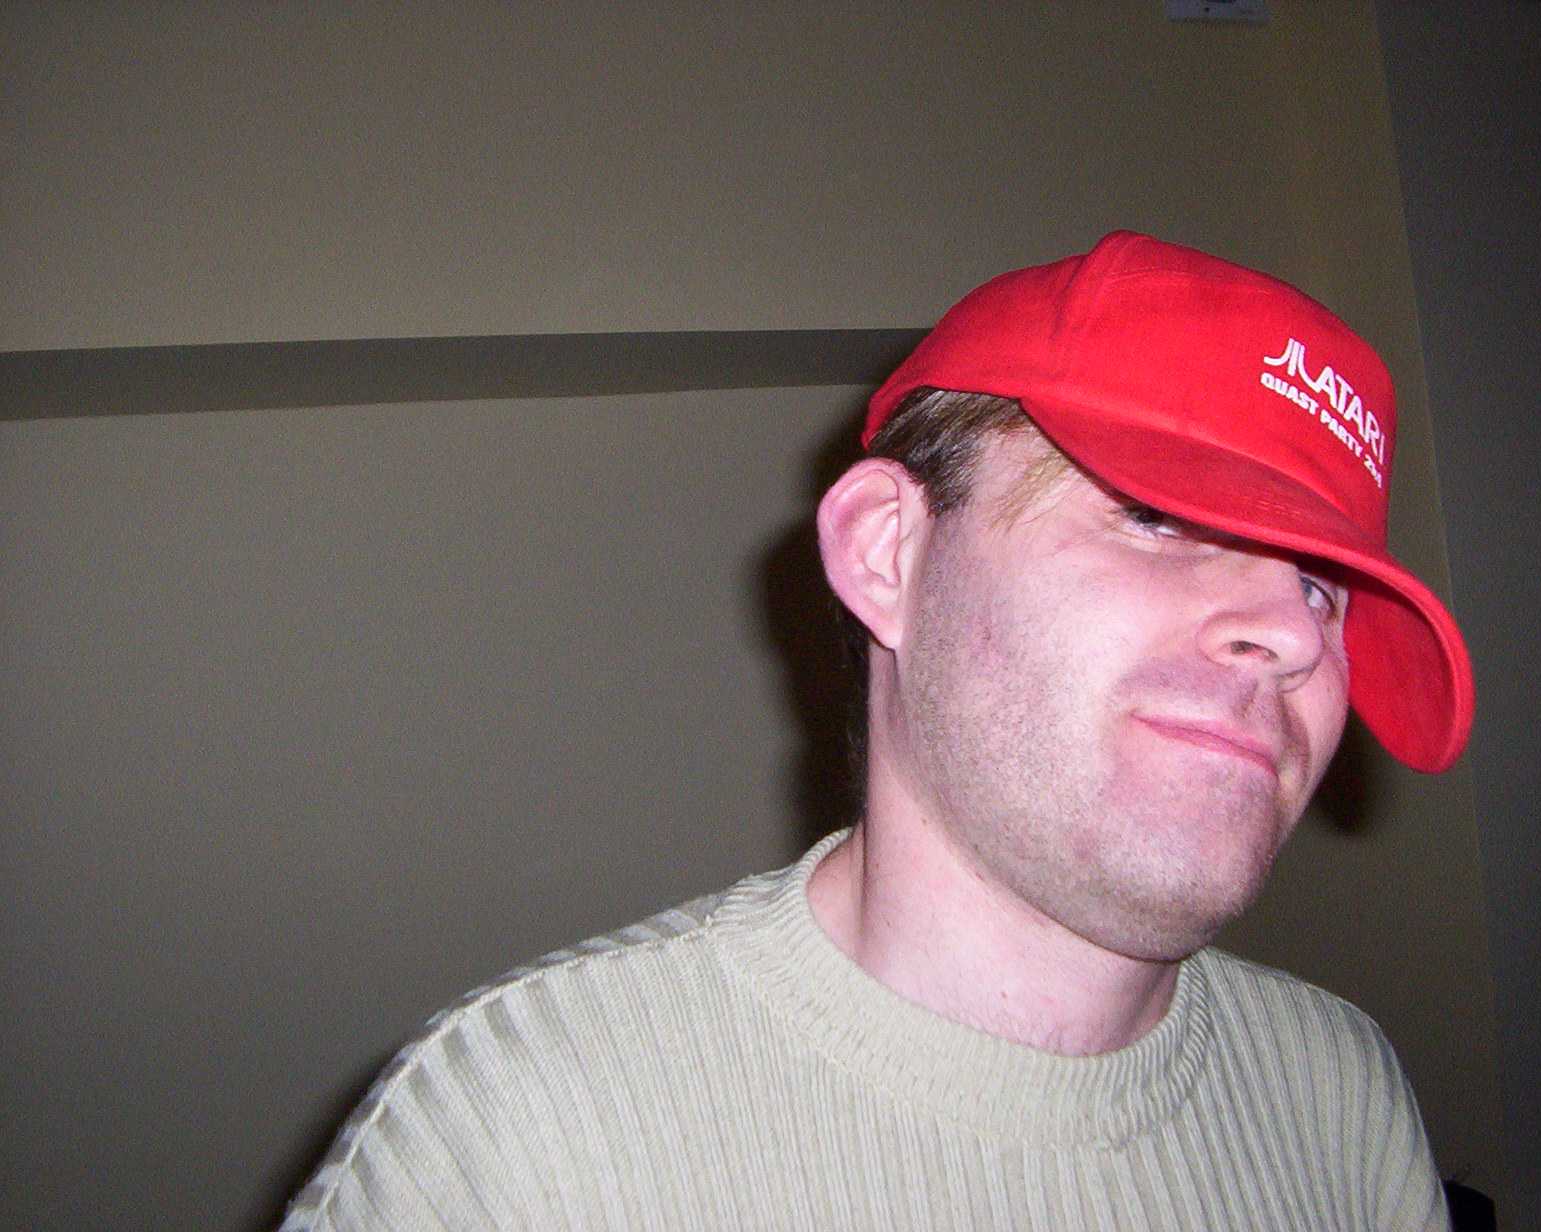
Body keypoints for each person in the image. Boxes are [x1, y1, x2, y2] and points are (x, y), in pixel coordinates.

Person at [282, 232, 1474, 1230]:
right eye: (1158, 517)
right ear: (887, 553)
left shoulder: (1341, 1093)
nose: (1294, 631)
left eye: (1324, 586)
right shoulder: (519, 1133)